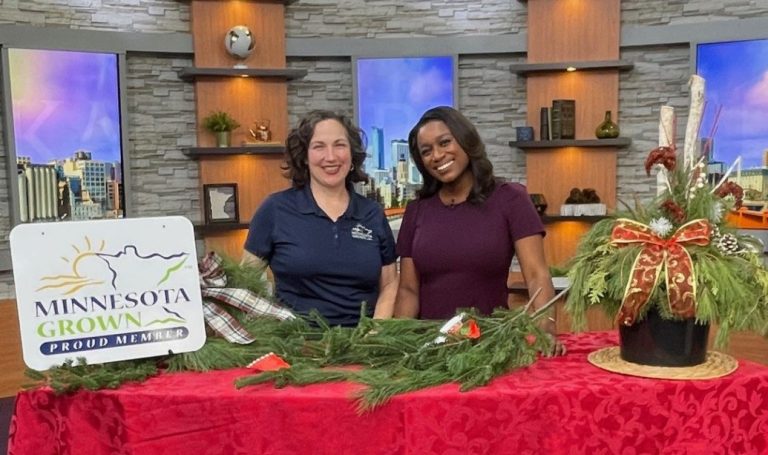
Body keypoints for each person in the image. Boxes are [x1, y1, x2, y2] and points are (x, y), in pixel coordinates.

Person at [394, 106, 562, 350]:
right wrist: (396, 345)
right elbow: (408, 291)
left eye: (444, 142)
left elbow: (537, 275)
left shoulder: (510, 199)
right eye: (426, 151)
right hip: (429, 348)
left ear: (465, 140)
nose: (437, 155)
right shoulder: (417, 210)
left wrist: (546, 331)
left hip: (489, 347)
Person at [243, 110, 398, 326]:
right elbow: (245, 283)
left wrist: (375, 333)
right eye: (319, 146)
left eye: (339, 145)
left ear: (352, 154)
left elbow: (390, 284)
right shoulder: (275, 209)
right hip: (297, 347)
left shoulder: (372, 213)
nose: (331, 156)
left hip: (363, 346)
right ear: (304, 157)